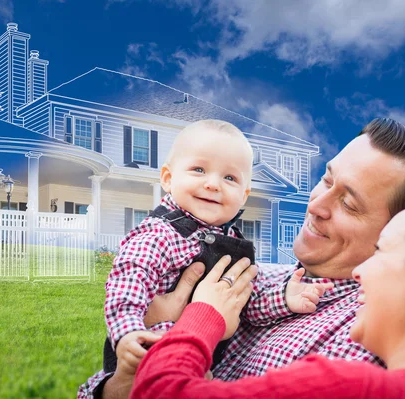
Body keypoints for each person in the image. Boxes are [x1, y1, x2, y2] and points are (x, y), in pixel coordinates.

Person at [78, 118, 405, 399]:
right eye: (326, 180)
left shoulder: (363, 341)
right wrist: (117, 383)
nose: (316, 205)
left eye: (349, 204)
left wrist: (197, 317)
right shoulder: (263, 274)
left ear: (403, 228)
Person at [131, 194, 405, 399]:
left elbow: (160, 392)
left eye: (381, 251)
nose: (361, 271)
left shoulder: (351, 387)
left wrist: (202, 314)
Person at [99, 120, 331, 377]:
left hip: (200, 361)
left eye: (229, 177)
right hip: (147, 349)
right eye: (198, 169)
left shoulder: (234, 243)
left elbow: (244, 304)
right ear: (168, 178)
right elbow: (128, 282)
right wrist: (127, 332)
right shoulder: (160, 233)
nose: (213, 184)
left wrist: (285, 298)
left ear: (243, 195)